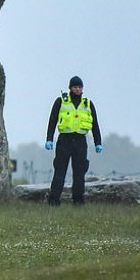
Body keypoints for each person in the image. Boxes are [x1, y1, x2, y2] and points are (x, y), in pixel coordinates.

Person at [45, 75, 102, 205]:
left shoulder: (87, 104)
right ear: (70, 88)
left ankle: (78, 201)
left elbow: (95, 124)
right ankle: (54, 200)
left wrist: (98, 142)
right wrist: (49, 138)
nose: (77, 89)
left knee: (79, 173)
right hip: (65, 140)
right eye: (75, 87)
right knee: (60, 171)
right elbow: (52, 120)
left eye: (80, 87)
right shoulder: (61, 101)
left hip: (80, 141)